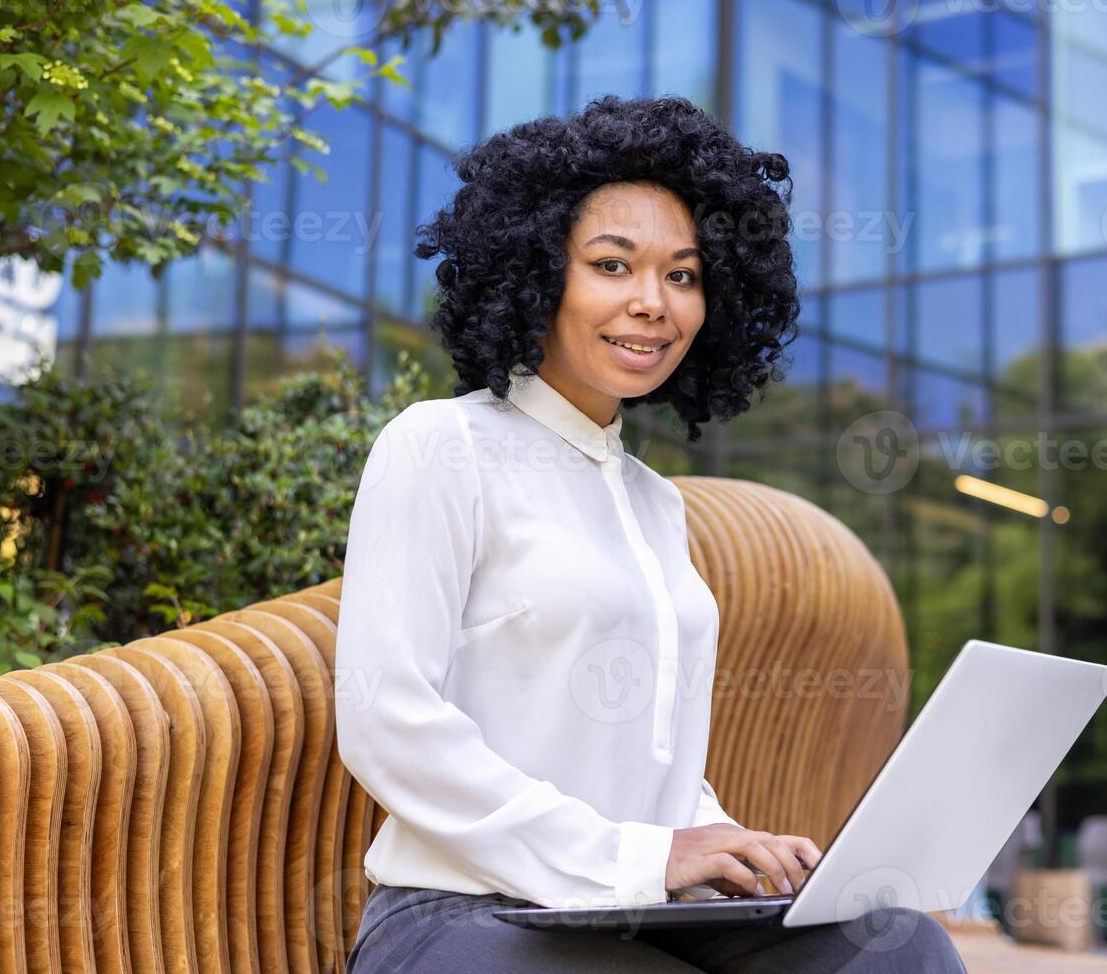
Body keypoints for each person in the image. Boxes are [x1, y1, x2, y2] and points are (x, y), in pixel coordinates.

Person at [334, 94, 966, 972]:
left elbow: (647, 761)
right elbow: (386, 721)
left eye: (682, 275)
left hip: (640, 908)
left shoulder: (653, 502)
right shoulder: (442, 445)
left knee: (898, 948)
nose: (652, 303)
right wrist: (645, 858)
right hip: (467, 912)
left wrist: (726, 840)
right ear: (538, 272)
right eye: (612, 265)